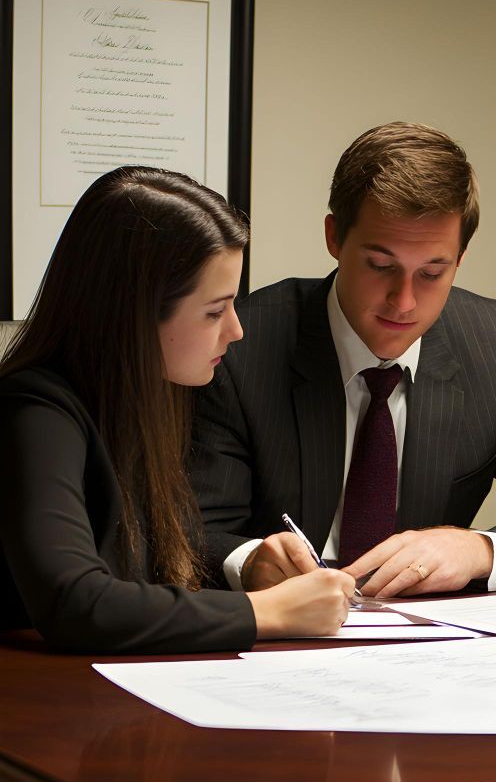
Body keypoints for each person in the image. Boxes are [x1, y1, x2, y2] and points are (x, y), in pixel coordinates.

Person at [191, 121, 496, 599]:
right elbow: (187, 528)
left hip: (433, 643)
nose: (403, 301)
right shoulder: (242, 342)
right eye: (380, 266)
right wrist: (250, 562)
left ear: (460, 258)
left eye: (432, 272)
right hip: (274, 635)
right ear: (334, 239)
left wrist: (479, 550)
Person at [0, 168, 355, 653]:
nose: (235, 330)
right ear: (135, 313)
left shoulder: (144, 396)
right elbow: (76, 601)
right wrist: (266, 612)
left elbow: (146, 543)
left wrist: (251, 563)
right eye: (214, 311)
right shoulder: (34, 414)